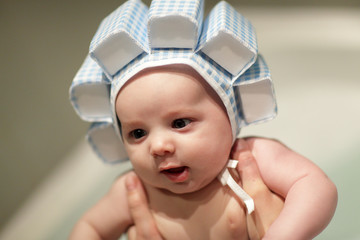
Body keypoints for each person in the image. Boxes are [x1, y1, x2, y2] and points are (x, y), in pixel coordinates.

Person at [68, 1, 337, 239]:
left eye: (180, 123)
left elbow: (315, 186)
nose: (159, 146)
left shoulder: (250, 159)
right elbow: (91, 227)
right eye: (138, 133)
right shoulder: (135, 190)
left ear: (229, 117)